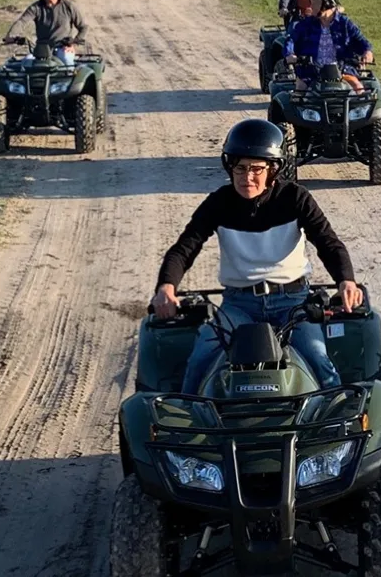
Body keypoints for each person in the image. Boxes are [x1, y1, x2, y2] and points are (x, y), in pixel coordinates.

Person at [153, 120, 363, 393]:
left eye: (256, 169)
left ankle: (332, 423)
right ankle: (188, 422)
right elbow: (185, 248)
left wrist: (346, 280)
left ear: (273, 169)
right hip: (239, 305)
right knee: (200, 359)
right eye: (240, 168)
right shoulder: (219, 202)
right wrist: (166, 286)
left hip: (293, 303)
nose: (246, 177)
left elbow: (328, 242)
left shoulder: (296, 198)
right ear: (230, 168)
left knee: (318, 358)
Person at [287, 0, 373, 91]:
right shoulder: (305, 24)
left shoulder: (345, 24)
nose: (310, 6)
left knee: (359, 89)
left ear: (327, 4)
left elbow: (362, 41)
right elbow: (291, 40)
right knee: (300, 90)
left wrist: (367, 52)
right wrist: (290, 54)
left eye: (315, 3)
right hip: (311, 72)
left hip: (342, 71)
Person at [5, 0, 90, 62]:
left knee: (66, 60)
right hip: (41, 50)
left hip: (62, 48)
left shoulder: (68, 7)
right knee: (26, 63)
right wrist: (11, 36)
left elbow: (83, 27)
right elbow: (22, 21)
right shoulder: (36, 8)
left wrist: (73, 43)